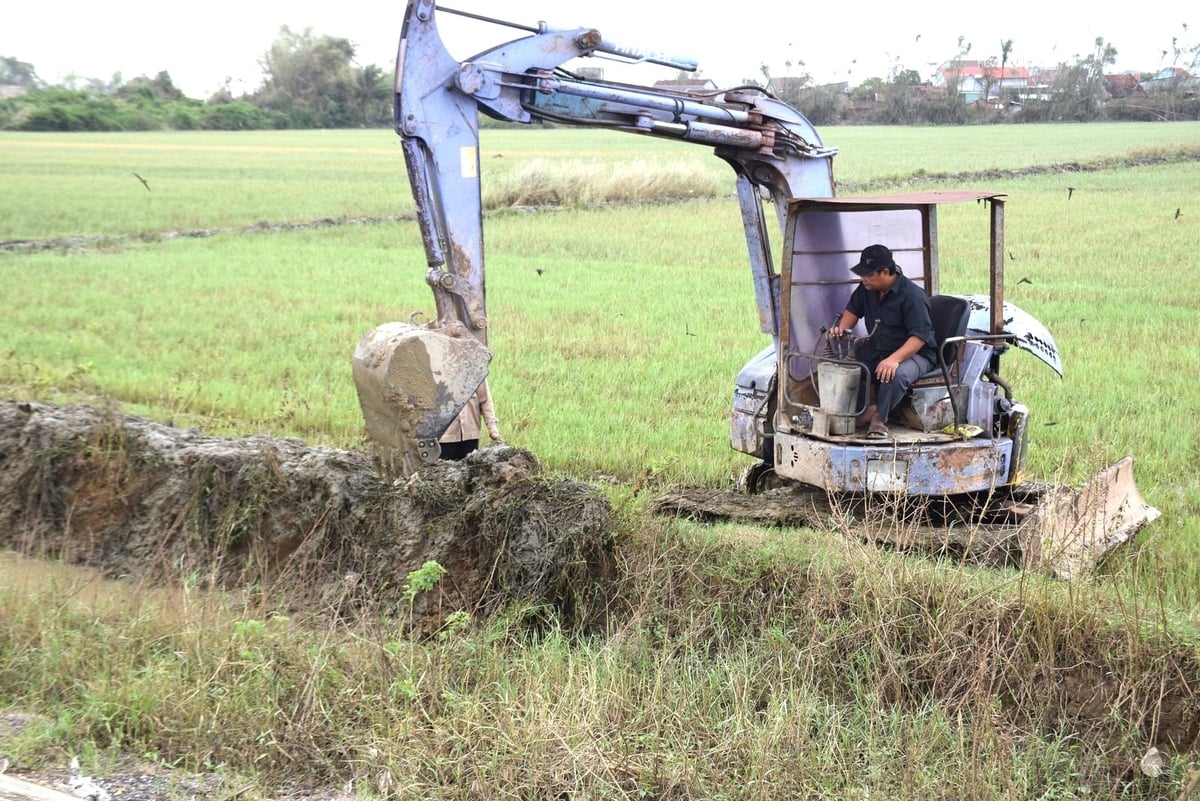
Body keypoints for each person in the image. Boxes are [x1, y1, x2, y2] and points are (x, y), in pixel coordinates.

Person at [828, 244, 937, 439]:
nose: (863, 279)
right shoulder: (867, 289)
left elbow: (920, 337)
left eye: (868, 275)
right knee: (849, 366)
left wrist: (894, 359)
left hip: (916, 353)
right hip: (879, 347)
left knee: (894, 374)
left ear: (885, 272)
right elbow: (852, 310)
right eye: (862, 274)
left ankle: (879, 419)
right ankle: (863, 410)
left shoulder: (913, 296)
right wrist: (841, 329)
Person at [439, 378, 503, 460]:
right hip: (444, 437)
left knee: (471, 466)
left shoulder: (476, 372)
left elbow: (485, 401)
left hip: (470, 435)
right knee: (444, 467)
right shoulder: (436, 371)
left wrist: (492, 428)